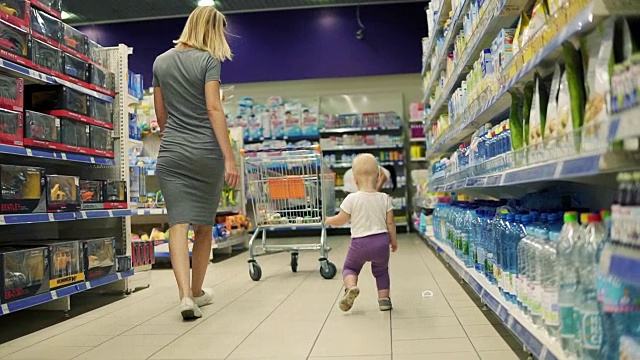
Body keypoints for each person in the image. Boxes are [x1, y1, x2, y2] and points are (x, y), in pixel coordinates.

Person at [152, 6, 238, 320]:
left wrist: (175, 139)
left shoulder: (160, 61)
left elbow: (161, 116)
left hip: (172, 152)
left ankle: (185, 296)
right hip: (206, 152)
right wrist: (229, 157)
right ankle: (198, 291)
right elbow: (214, 109)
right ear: (210, 30)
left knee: (178, 224)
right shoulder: (207, 60)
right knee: (203, 226)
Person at [325, 154, 398, 312]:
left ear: (354, 180)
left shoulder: (351, 198)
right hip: (381, 242)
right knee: (381, 271)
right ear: (378, 176)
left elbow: (341, 219)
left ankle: (351, 287)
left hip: (360, 243)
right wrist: (393, 241)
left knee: (350, 268)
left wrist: (328, 220)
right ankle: (384, 300)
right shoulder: (384, 198)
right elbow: (391, 223)